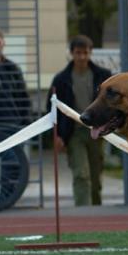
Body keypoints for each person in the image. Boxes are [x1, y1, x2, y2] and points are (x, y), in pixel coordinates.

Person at [47, 35, 111, 206]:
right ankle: (83, 213)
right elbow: (52, 109)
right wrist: (57, 135)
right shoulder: (61, 79)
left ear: (90, 53)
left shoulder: (103, 76)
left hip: (97, 131)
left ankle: (96, 212)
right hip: (74, 132)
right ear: (71, 54)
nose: (82, 57)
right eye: (78, 53)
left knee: (95, 177)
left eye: (85, 52)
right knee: (81, 174)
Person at [0, 28, 31, 204]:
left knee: (14, 164)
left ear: (4, 44)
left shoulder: (12, 67)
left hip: (13, 123)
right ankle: (5, 201)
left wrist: (27, 123)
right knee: (11, 159)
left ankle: (6, 199)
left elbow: (23, 97)